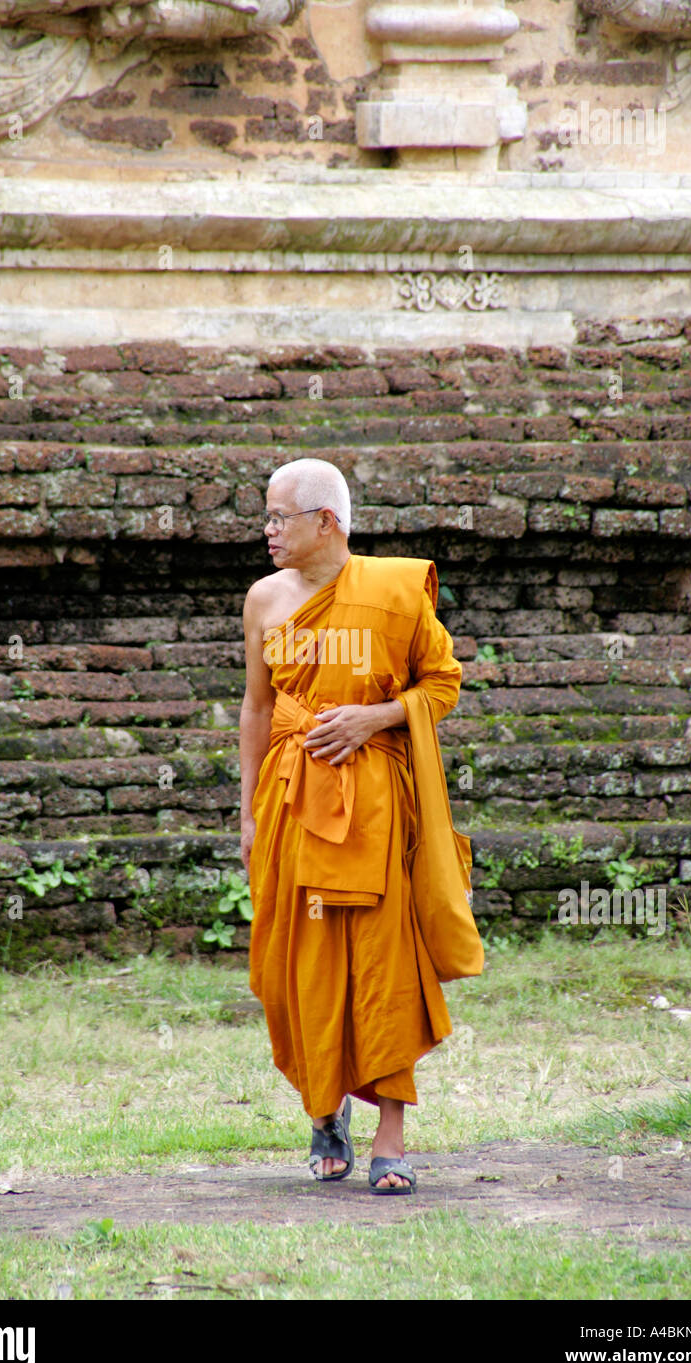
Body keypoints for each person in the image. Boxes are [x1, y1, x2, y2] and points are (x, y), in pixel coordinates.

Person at [239, 457, 480, 1193]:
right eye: (268, 515)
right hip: (290, 801)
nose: (269, 530)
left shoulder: (395, 591)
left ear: (327, 522)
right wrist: (248, 812)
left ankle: (392, 1135)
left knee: (384, 964)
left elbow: (442, 684)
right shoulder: (264, 600)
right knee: (299, 963)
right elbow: (255, 708)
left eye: (281, 516)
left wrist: (377, 715)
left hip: (377, 805)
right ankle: (324, 1109)